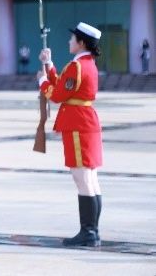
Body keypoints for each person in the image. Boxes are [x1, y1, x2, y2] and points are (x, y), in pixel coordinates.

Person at [38, 22, 104, 247]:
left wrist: (42, 82)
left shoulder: (77, 66)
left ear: (81, 42)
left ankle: (88, 233)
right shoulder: (86, 64)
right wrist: (49, 64)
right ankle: (92, 232)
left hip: (78, 125)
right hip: (86, 123)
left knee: (82, 178)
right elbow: (63, 87)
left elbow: (57, 95)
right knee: (90, 179)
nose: (69, 42)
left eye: (72, 38)